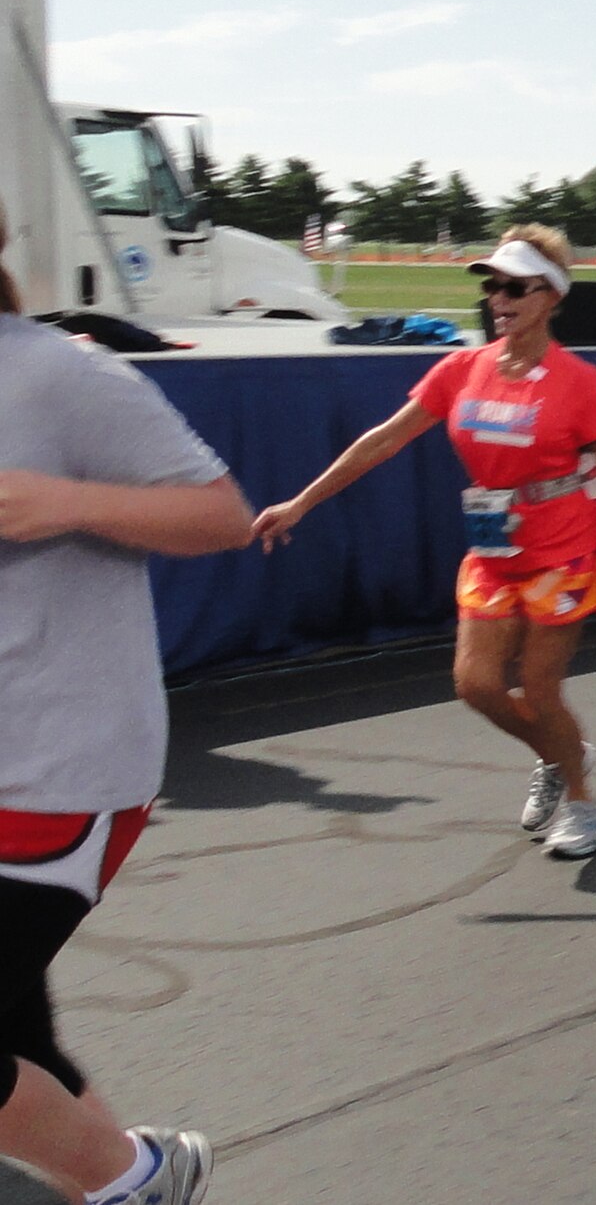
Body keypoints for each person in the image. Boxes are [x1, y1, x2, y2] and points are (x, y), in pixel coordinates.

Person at [252, 225, 596, 859]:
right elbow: (384, 440)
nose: (497, 299)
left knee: (538, 690)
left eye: (513, 287)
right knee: (474, 685)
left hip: (566, 550)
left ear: (550, 296)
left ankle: (584, 803)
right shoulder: (461, 369)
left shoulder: (580, 381)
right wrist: (301, 503)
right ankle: (560, 752)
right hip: (494, 549)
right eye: (491, 286)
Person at [0, 200, 253, 1205]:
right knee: (19, 1034)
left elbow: (224, 515)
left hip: (61, 768)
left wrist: (67, 501)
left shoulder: (55, 373)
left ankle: (136, 1181)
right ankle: (126, 1175)